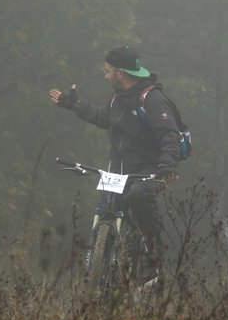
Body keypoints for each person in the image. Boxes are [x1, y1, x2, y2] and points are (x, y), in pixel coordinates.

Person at [49, 46, 181, 282]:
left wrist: (167, 167)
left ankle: (154, 261)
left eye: (108, 71)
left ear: (120, 73)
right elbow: (104, 118)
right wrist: (74, 105)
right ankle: (101, 265)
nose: (105, 75)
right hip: (118, 169)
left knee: (139, 196)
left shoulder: (152, 99)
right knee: (106, 206)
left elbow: (170, 136)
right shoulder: (117, 98)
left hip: (149, 171)